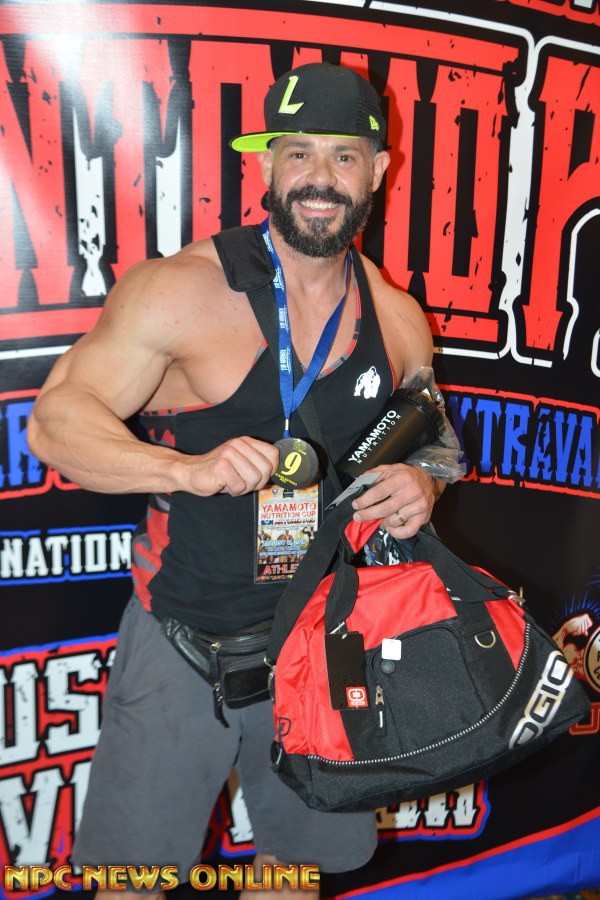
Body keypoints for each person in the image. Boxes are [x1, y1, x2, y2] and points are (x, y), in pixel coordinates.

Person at [27, 62, 444, 897]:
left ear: (377, 170)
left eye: (343, 156)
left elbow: (431, 437)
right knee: (130, 881)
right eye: (299, 154)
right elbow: (54, 424)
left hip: (323, 646)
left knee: (292, 874)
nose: (319, 178)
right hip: (186, 642)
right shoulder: (180, 291)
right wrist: (184, 469)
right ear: (264, 164)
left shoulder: (397, 317)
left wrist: (425, 484)